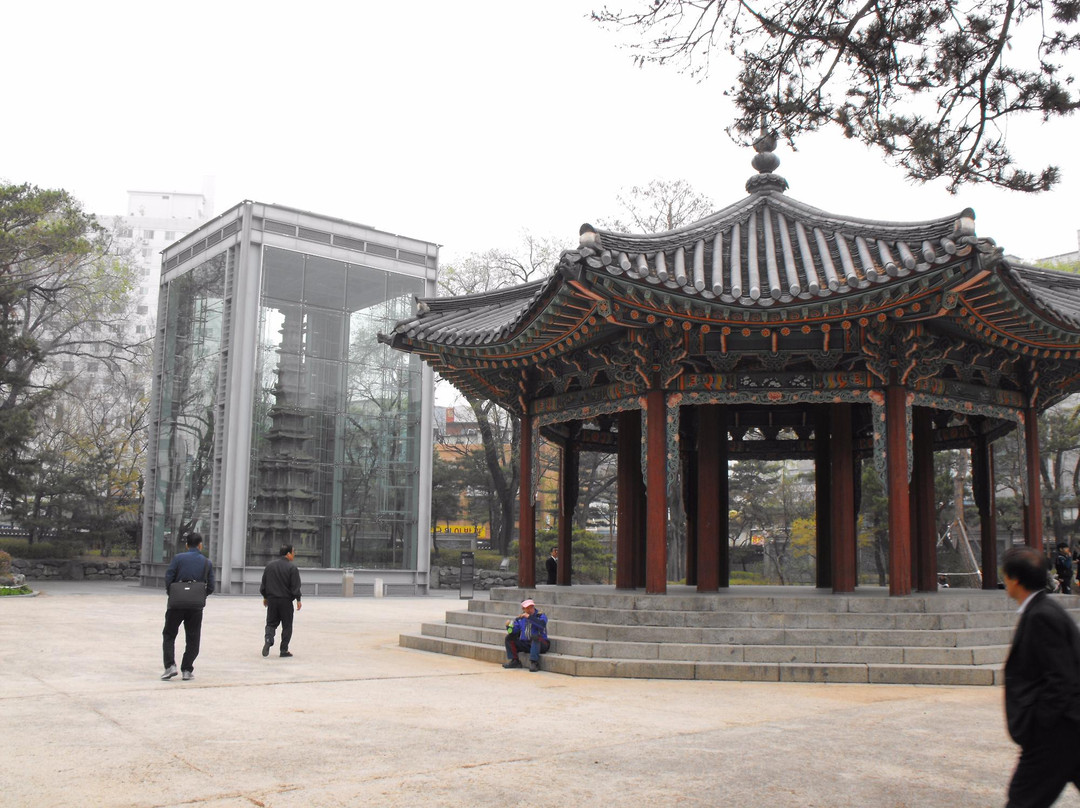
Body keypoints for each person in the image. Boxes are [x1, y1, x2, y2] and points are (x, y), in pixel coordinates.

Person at [1002, 545, 1080, 807]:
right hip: (1067, 728)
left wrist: (1039, 723)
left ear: (1014, 579)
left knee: (1023, 800)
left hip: (1057, 734)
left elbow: (1062, 678)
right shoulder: (1043, 609)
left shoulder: (1041, 616)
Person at [161, 533, 215, 681]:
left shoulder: (178, 558)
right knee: (193, 637)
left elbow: (169, 578)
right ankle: (187, 669)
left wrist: (173, 594)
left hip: (176, 604)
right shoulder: (206, 562)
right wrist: (200, 595)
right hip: (195, 606)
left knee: (169, 634)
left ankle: (170, 666)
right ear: (200, 545)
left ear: (186, 545)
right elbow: (211, 586)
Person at [261, 544, 303, 658]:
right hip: (286, 601)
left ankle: (268, 640)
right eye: (293, 552)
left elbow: (264, 583)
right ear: (288, 554)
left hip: (272, 600)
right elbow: (295, 586)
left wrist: (265, 597)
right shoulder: (292, 568)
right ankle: (283, 650)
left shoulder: (270, 566)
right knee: (287, 626)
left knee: (271, 623)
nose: (294, 554)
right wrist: (298, 599)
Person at [503, 598, 549, 672]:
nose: (530, 609)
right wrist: (509, 627)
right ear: (523, 609)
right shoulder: (520, 619)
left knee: (535, 636)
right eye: (527, 608)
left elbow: (542, 625)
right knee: (509, 638)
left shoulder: (540, 616)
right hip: (526, 643)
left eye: (531, 607)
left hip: (541, 643)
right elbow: (514, 632)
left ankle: (534, 663)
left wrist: (530, 617)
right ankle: (515, 661)